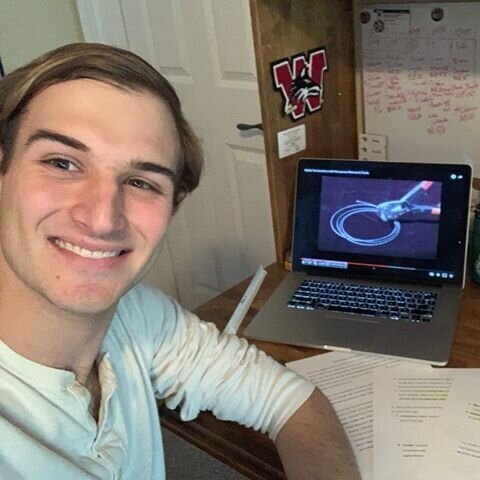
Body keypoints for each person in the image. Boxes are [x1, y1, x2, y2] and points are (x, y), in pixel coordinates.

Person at [0, 43, 361, 479]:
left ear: (173, 205)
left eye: (140, 181)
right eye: (62, 162)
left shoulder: (138, 315)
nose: (101, 217)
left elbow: (290, 401)